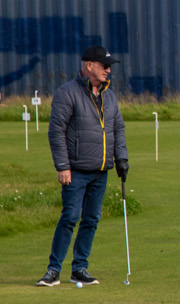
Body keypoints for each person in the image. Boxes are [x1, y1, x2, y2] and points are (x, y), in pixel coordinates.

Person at [38, 45, 129, 287]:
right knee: (69, 217)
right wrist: (62, 166)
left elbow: (117, 128)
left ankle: (79, 268)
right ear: (89, 66)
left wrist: (121, 158)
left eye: (109, 67)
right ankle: (53, 270)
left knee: (91, 219)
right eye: (104, 66)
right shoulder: (67, 93)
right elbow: (56, 131)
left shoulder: (109, 96)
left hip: (101, 170)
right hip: (75, 170)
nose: (108, 70)